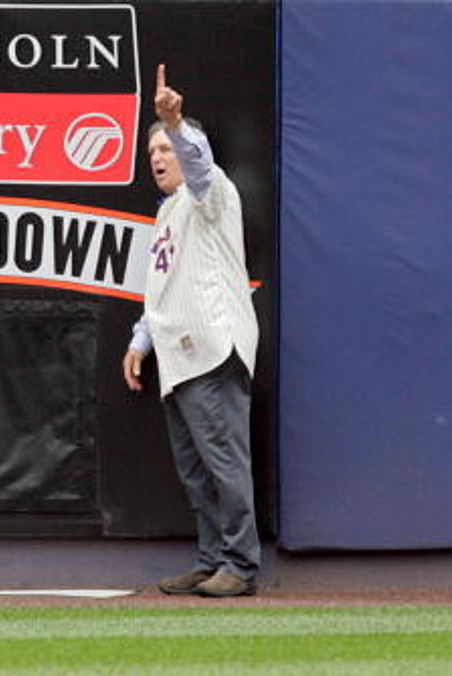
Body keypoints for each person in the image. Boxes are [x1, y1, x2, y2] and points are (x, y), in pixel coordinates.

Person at [122, 64, 261, 597]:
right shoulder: (165, 214)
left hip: (211, 349)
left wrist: (175, 124)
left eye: (166, 149)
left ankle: (241, 566)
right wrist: (139, 341)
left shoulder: (211, 193)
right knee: (195, 472)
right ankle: (211, 560)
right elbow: (160, 287)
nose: (158, 157)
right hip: (177, 359)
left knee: (224, 461)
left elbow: (200, 167)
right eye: (153, 151)